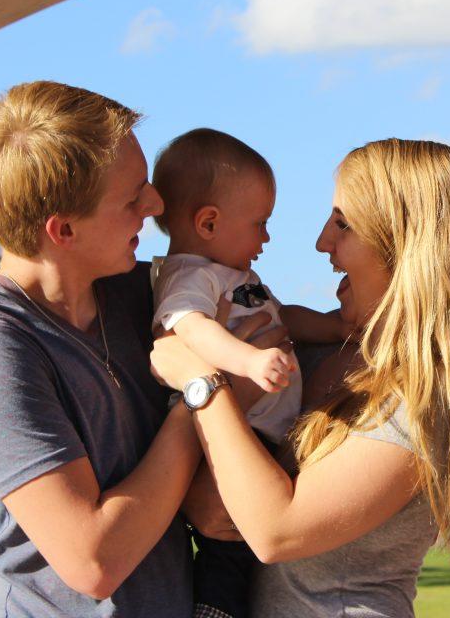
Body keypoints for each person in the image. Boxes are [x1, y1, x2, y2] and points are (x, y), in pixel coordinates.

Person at [152, 138, 450, 618]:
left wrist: (202, 381)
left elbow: (273, 529)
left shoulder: (422, 403)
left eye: (343, 224)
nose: (322, 241)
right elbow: (211, 506)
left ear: (407, 248)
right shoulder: (315, 353)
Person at [0, 81, 198, 617]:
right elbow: (92, 561)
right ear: (63, 229)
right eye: (132, 197)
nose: (156, 204)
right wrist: (201, 396)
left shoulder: (138, 293)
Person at [149, 127, 346, 617]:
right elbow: (190, 329)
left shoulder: (234, 276)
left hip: (260, 429)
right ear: (209, 222)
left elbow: (282, 318)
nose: (267, 237)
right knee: (229, 546)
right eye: (260, 223)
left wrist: (335, 326)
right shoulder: (189, 276)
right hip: (238, 430)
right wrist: (248, 362)